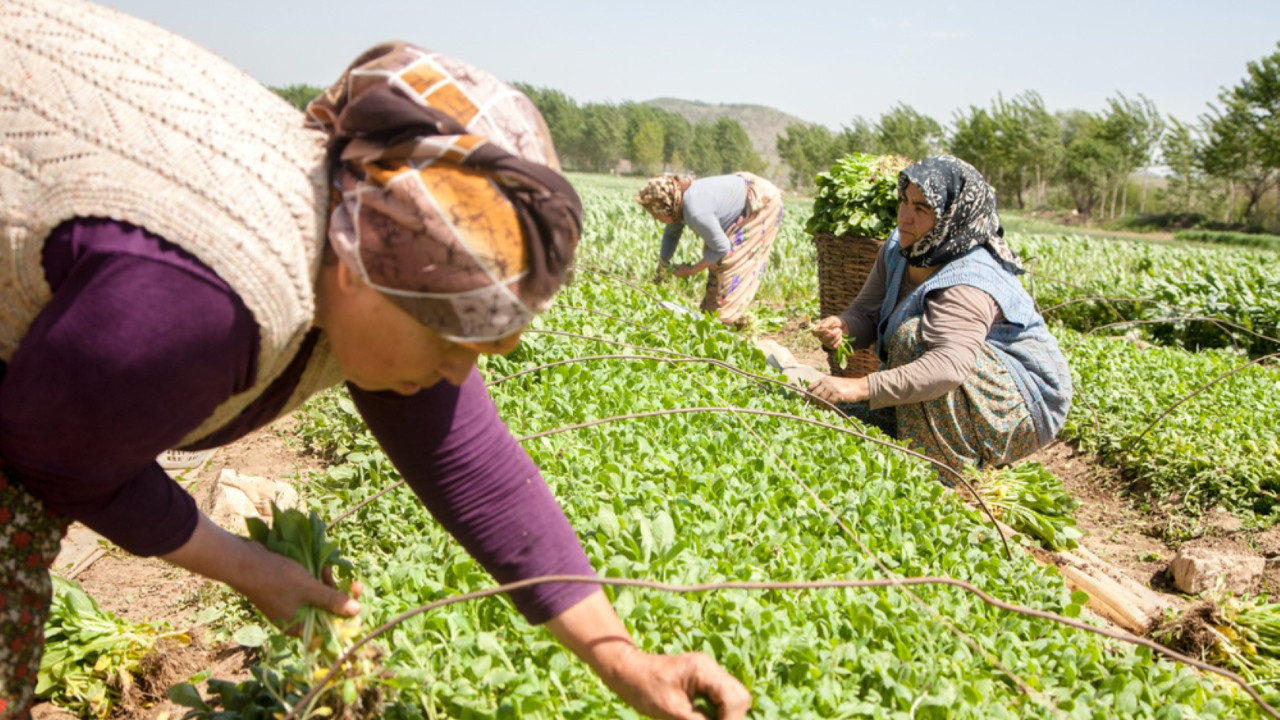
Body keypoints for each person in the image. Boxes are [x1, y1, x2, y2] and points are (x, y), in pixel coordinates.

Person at [0, 3, 750, 719]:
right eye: (451, 342)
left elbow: (471, 466)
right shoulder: (221, 290)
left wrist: (624, 661)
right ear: (363, 271)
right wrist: (249, 568)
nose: (457, 375)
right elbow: (57, 458)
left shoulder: (367, 228)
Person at [808, 156, 1072, 470]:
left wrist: (859, 387)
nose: (905, 217)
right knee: (834, 417)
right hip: (955, 381)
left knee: (912, 338)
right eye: (904, 201)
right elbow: (867, 311)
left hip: (1021, 404)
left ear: (951, 216)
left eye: (921, 209)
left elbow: (948, 366)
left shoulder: (970, 276)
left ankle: (939, 471)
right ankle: (918, 440)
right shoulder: (901, 247)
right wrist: (844, 327)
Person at [635, 173, 784, 325]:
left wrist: (691, 270)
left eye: (655, 214)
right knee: (712, 255)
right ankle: (711, 315)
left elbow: (722, 248)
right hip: (742, 191)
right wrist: (662, 264)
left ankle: (726, 322)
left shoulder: (695, 212)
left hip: (761, 200)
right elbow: (671, 235)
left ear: (665, 209)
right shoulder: (677, 201)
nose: (655, 219)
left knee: (730, 260)